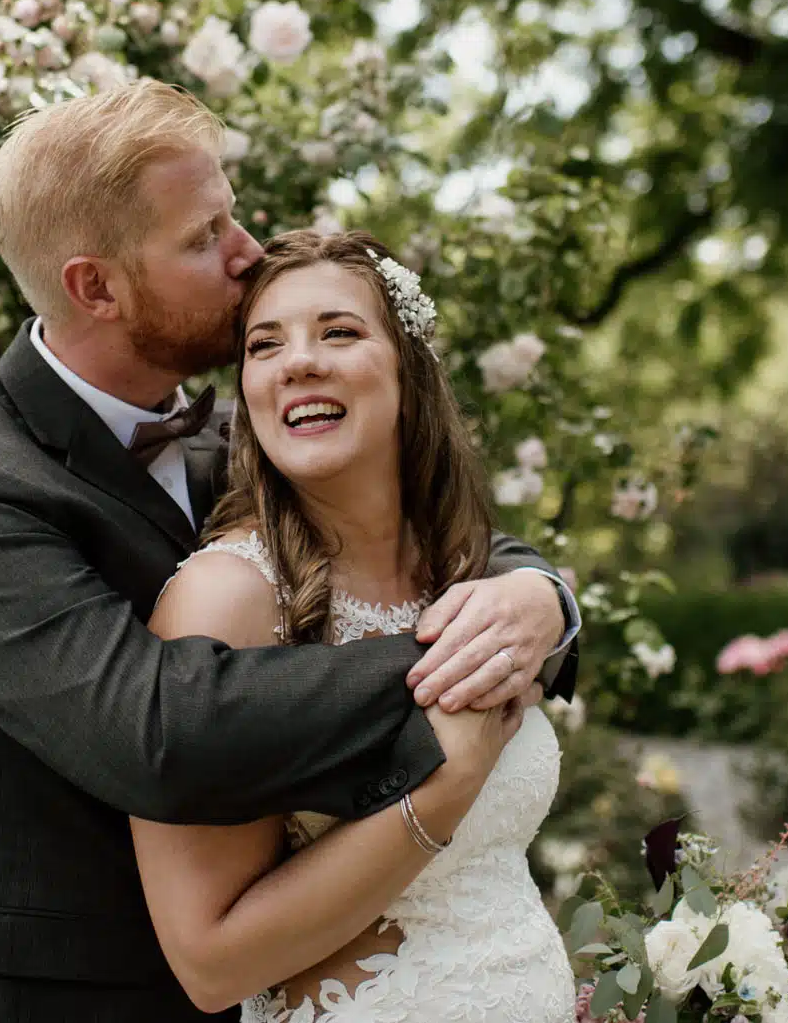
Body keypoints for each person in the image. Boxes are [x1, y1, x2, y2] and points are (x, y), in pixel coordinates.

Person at [0, 80, 582, 1023]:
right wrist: (458, 673)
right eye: (204, 237)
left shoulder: (234, 438)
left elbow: (399, 523)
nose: (246, 256)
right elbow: (158, 731)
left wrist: (538, 597)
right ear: (96, 286)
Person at [133, 228, 577, 1022]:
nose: (298, 360)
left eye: (338, 331)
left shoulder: (474, 574)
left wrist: (549, 598)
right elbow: (209, 962)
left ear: (409, 371)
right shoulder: (226, 599)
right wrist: (447, 786)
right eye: (265, 344)